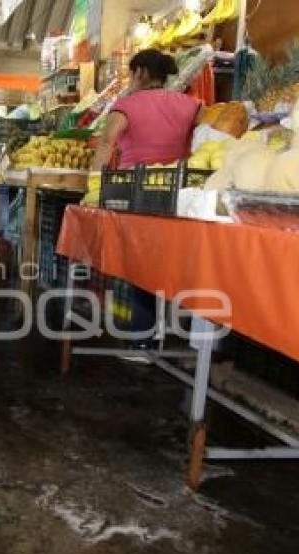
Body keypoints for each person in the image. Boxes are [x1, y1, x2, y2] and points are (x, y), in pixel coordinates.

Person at [90, 49, 203, 359]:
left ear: (140, 73)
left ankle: (142, 340)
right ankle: (178, 336)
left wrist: (94, 185)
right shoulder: (190, 104)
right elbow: (207, 135)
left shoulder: (126, 105)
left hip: (136, 195)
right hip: (177, 194)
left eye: (131, 73)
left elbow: (106, 142)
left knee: (141, 267)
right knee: (171, 263)